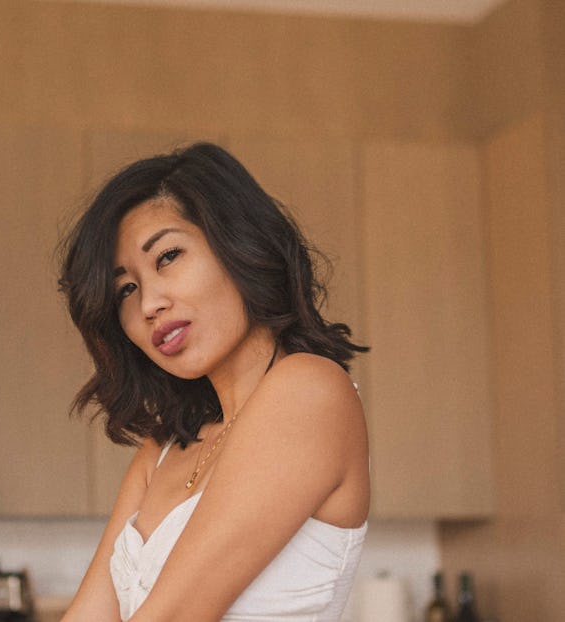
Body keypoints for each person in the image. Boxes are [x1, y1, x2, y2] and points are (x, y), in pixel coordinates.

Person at [57, 142, 370, 622]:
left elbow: (175, 615)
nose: (148, 305)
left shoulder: (310, 390)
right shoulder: (161, 451)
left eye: (167, 256)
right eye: (126, 288)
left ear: (238, 245)